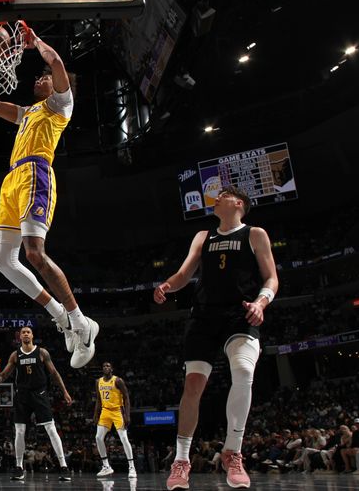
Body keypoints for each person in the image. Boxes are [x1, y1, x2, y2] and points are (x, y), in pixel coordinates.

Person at [0, 25, 98, 369]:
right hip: (12, 179)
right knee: (4, 261)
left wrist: (36, 43)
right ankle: (59, 315)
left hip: (36, 173)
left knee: (34, 253)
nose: (39, 79)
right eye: (40, 77)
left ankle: (81, 323)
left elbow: (58, 61)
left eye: (44, 77)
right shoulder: (28, 113)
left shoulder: (61, 104)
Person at [154, 185, 279, 490]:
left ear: (238, 203)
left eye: (222, 194)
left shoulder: (254, 234)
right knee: (193, 385)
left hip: (241, 312)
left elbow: (271, 277)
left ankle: (232, 451)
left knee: (245, 370)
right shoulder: (203, 236)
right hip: (204, 315)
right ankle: (181, 461)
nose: (216, 198)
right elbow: (185, 274)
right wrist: (168, 285)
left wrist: (261, 303)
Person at [0, 326, 73, 481]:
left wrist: (64, 391)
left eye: (28, 332)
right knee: (19, 431)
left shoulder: (42, 352)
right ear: (19, 337)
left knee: (51, 429)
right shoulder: (15, 355)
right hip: (22, 395)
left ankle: (63, 466)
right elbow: (4, 375)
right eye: (23, 332)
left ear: (32, 335)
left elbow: (54, 373)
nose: (25, 334)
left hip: (39, 394)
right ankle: (19, 468)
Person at [93, 361, 137, 479]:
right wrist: (95, 415)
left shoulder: (118, 381)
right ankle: (106, 466)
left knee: (123, 438)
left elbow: (126, 398)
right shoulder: (98, 382)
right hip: (105, 411)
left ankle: (132, 467)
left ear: (112, 369)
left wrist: (127, 415)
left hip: (117, 411)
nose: (105, 367)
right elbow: (98, 399)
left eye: (108, 366)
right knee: (98, 437)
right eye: (104, 366)